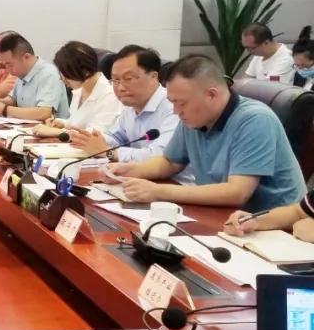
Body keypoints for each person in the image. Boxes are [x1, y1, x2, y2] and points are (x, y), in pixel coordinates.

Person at [102, 54, 304, 212]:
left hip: (274, 226)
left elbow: (237, 192)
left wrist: (158, 191)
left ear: (212, 94)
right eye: (172, 103)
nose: (176, 111)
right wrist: (129, 171)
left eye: (182, 103)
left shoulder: (254, 120)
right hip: (221, 215)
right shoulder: (193, 118)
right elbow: (170, 162)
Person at [68, 45, 183, 165]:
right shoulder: (131, 107)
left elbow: (161, 156)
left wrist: (109, 152)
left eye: (128, 78)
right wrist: (92, 140)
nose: (121, 88)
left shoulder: (173, 108)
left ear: (153, 77)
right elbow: (115, 136)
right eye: (115, 80)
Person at [32, 41, 121, 138]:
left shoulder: (110, 94)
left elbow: (96, 135)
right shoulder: (79, 89)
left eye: (66, 74)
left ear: (85, 72)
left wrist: (58, 132)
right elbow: (78, 123)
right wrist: (62, 123)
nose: (63, 79)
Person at [0, 33, 68, 121]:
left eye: (9, 65)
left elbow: (45, 113)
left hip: (50, 128)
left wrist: (4, 109)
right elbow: (14, 100)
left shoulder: (49, 74)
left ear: (26, 57)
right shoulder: (23, 73)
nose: (7, 69)